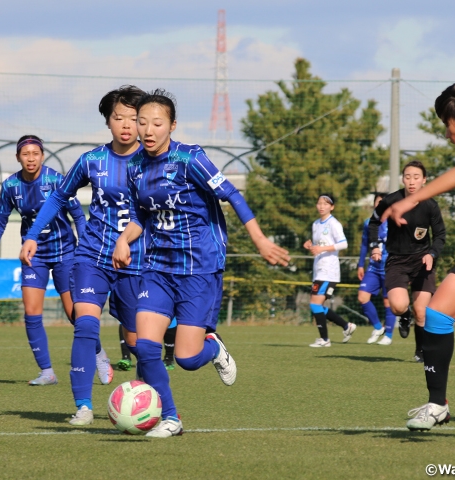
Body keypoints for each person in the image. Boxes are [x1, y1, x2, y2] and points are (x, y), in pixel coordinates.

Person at [112, 89, 290, 437]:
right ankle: (171, 419)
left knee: (187, 359)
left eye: (156, 123)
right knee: (144, 347)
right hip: (158, 267)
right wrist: (123, 239)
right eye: (141, 122)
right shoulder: (134, 166)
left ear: (172, 126)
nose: (147, 130)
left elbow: (232, 195)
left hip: (198, 268)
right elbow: (139, 215)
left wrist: (260, 239)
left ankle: (213, 348)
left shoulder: (190, 158)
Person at [20, 86, 147, 425]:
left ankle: (148, 401)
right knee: (85, 325)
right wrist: (32, 235)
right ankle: (83, 407)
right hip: (91, 256)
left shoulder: (154, 162)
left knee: (139, 341)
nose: (126, 125)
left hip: (136, 262)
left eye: (133, 118)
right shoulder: (92, 160)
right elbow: (59, 197)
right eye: (118, 117)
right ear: (107, 121)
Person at [387, 80, 455, 430]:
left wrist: (411, 198)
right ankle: (438, 405)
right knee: (435, 314)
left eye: (448, 125)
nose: (448, 134)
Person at [0, 134, 90, 386]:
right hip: (33, 255)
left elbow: (78, 217)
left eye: (35, 153)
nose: (30, 158)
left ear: (42, 155)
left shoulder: (56, 181)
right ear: (18, 157)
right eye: (25, 154)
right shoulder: (10, 187)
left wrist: (84, 249)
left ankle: (99, 355)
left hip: (65, 253)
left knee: (75, 313)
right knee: (31, 312)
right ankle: (47, 372)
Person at [369, 161, 446, 362]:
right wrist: (375, 245)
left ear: (424, 180)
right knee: (397, 306)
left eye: (416, 177)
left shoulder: (430, 204)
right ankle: (404, 315)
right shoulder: (391, 200)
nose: (412, 181)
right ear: (403, 179)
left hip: (423, 261)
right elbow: (374, 222)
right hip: (397, 260)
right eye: (408, 177)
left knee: (422, 312)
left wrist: (432, 254)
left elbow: (440, 235)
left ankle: (420, 351)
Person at [304, 194, 356, 347]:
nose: (321, 206)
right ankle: (347, 326)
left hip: (329, 271)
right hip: (318, 270)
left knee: (314, 305)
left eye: (326, 204)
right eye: (319, 203)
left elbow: (343, 244)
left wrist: (321, 248)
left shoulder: (334, 224)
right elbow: (318, 246)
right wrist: (310, 246)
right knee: (317, 305)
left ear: (331, 207)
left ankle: (324, 340)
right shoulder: (316, 224)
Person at [357, 193, 397, 345]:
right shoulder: (369, 223)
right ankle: (378, 327)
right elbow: (364, 245)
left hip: (389, 268)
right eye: (378, 202)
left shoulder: (394, 223)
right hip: (373, 268)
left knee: (388, 302)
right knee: (362, 297)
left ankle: (388, 335)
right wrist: (360, 264)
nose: (381, 205)